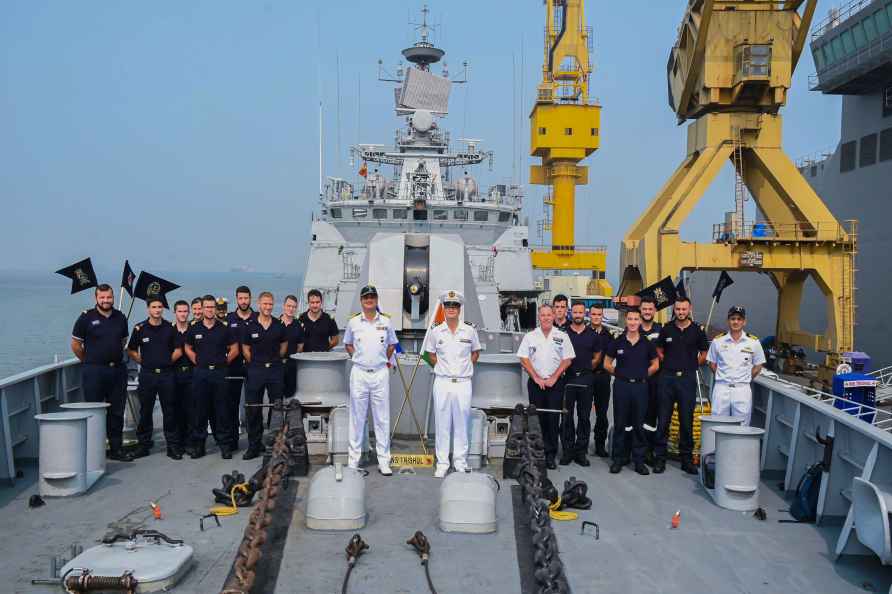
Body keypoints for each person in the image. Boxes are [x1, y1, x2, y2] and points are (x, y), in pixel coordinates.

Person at [70, 284, 133, 462]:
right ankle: (94, 452)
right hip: (94, 371)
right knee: (94, 411)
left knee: (116, 412)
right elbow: (75, 345)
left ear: (113, 297)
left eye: (109, 297)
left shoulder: (120, 317)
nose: (106, 301)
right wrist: (89, 361)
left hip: (117, 371)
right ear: (96, 298)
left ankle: (116, 449)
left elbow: (123, 342)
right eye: (102, 297)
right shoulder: (86, 318)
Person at [422, 290, 482, 477]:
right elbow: (429, 354)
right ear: (443, 307)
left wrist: (464, 367)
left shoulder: (470, 330)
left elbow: (476, 352)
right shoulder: (436, 330)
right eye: (448, 305)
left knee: (462, 423)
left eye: (454, 306)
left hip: (463, 383)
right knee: (442, 424)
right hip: (443, 382)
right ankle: (442, 463)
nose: (451, 309)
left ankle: (460, 461)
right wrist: (441, 367)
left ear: (459, 308)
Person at [343, 285, 399, 475]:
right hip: (359, 373)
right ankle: (353, 460)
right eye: (366, 297)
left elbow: (392, 345)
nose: (369, 300)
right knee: (357, 418)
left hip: (380, 373)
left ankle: (384, 461)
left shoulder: (386, 321)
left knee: (381, 418)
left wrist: (381, 360)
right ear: (361, 300)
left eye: (372, 297)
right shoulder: (353, 323)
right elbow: (348, 344)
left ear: (376, 299)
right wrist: (358, 358)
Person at [654, 297, 709, 475]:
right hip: (667, 378)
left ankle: (687, 460)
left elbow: (704, 352)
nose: (681, 312)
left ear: (689, 309)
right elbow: (659, 350)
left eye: (684, 309)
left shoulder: (697, 331)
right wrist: (668, 362)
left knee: (687, 421)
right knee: (663, 420)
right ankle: (660, 459)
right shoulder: (667, 329)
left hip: (687, 379)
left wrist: (693, 365)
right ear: (674, 310)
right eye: (678, 309)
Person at [517, 303, 575, 469]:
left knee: (552, 420)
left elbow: (568, 359)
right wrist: (535, 377)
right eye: (543, 315)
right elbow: (523, 358)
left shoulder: (562, 336)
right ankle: (537, 454)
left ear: (554, 316)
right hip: (536, 384)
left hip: (555, 384)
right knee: (536, 419)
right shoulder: (530, 336)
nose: (546, 318)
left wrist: (554, 378)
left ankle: (550, 455)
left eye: (549, 315)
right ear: (539, 317)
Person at [603, 308, 659, 475]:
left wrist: (642, 375)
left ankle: (639, 461)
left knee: (639, 424)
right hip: (622, 386)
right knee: (620, 424)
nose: (633, 322)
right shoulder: (617, 341)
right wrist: (619, 374)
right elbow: (607, 363)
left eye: (636, 319)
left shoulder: (647, 343)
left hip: (640, 387)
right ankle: (618, 460)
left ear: (640, 321)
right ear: (625, 321)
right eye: (630, 319)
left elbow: (655, 364)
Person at [126, 297, 182, 459]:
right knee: (146, 411)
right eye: (154, 307)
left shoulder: (170, 328)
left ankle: (172, 446)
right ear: (148, 309)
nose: (157, 310)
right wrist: (144, 362)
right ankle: (143, 445)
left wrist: (166, 362)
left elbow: (178, 350)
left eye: (160, 307)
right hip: (148, 374)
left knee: (169, 411)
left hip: (166, 374)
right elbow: (131, 350)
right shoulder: (140, 328)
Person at [185, 295, 239, 459]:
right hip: (201, 373)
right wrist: (197, 361)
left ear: (215, 309)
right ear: (201, 308)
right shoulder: (194, 328)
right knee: (200, 410)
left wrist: (224, 362)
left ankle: (224, 445)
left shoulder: (224, 328)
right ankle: (199, 446)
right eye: (206, 307)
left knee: (221, 410)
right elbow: (187, 347)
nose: (209, 310)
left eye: (211, 307)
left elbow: (235, 348)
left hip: (219, 373)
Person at [241, 292, 288, 460]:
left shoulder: (278, 325)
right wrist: (254, 363)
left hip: (275, 369)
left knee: (276, 408)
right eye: (265, 304)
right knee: (253, 408)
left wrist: (274, 360)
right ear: (259, 304)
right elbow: (245, 348)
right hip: (255, 370)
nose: (268, 307)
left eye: (270, 304)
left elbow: (284, 346)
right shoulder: (250, 325)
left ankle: (274, 444)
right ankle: (254, 446)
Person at [707, 306, 765, 425]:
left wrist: (746, 378)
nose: (736, 322)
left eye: (739, 319)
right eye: (733, 319)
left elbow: (758, 365)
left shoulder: (753, 342)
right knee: (718, 424)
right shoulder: (718, 341)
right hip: (721, 388)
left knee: (742, 425)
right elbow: (712, 363)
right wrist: (722, 376)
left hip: (742, 389)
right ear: (728, 321)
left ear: (744, 322)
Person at [560, 301, 599, 467]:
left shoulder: (593, 335)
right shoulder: (562, 334)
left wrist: (588, 368)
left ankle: (581, 452)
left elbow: (597, 356)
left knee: (584, 417)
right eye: (575, 312)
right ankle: (568, 451)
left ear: (585, 314)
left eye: (580, 312)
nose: (577, 315)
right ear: (571, 313)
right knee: (567, 416)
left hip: (585, 379)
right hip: (567, 379)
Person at [225, 286, 255, 449]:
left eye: (246, 298)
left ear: (250, 298)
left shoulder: (257, 318)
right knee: (232, 404)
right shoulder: (228, 319)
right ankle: (232, 440)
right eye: (241, 298)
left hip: (252, 367)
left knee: (252, 405)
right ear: (236, 299)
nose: (244, 301)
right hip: (233, 367)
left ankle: (253, 442)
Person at [638, 296, 663, 465]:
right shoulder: (633, 329)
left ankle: (648, 451)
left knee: (651, 418)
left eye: (650, 309)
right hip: (636, 381)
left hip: (655, 381)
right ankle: (632, 450)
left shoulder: (662, 330)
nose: (647, 312)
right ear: (640, 310)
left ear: (655, 311)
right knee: (634, 416)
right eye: (644, 309)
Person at [589, 304, 612, 458]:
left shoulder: (608, 336)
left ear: (602, 316)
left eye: (599, 314)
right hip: (587, 376)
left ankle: (599, 444)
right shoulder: (583, 333)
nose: (596, 317)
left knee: (602, 414)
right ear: (589, 315)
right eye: (594, 314)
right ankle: (581, 445)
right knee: (583, 413)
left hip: (602, 377)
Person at [172, 300, 194, 459]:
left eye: (185, 311)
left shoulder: (194, 331)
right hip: (173, 374)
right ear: (175, 313)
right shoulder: (168, 331)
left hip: (192, 374)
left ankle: (190, 443)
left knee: (191, 410)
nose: (183, 314)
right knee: (174, 410)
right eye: (180, 311)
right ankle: (176, 444)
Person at [280, 294, 304, 399]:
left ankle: (289, 415)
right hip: (277, 365)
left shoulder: (298, 325)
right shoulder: (275, 323)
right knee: (276, 397)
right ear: (284, 306)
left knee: (290, 396)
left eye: (294, 307)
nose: (291, 309)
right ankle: (276, 416)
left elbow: (300, 346)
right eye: (289, 306)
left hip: (292, 366)